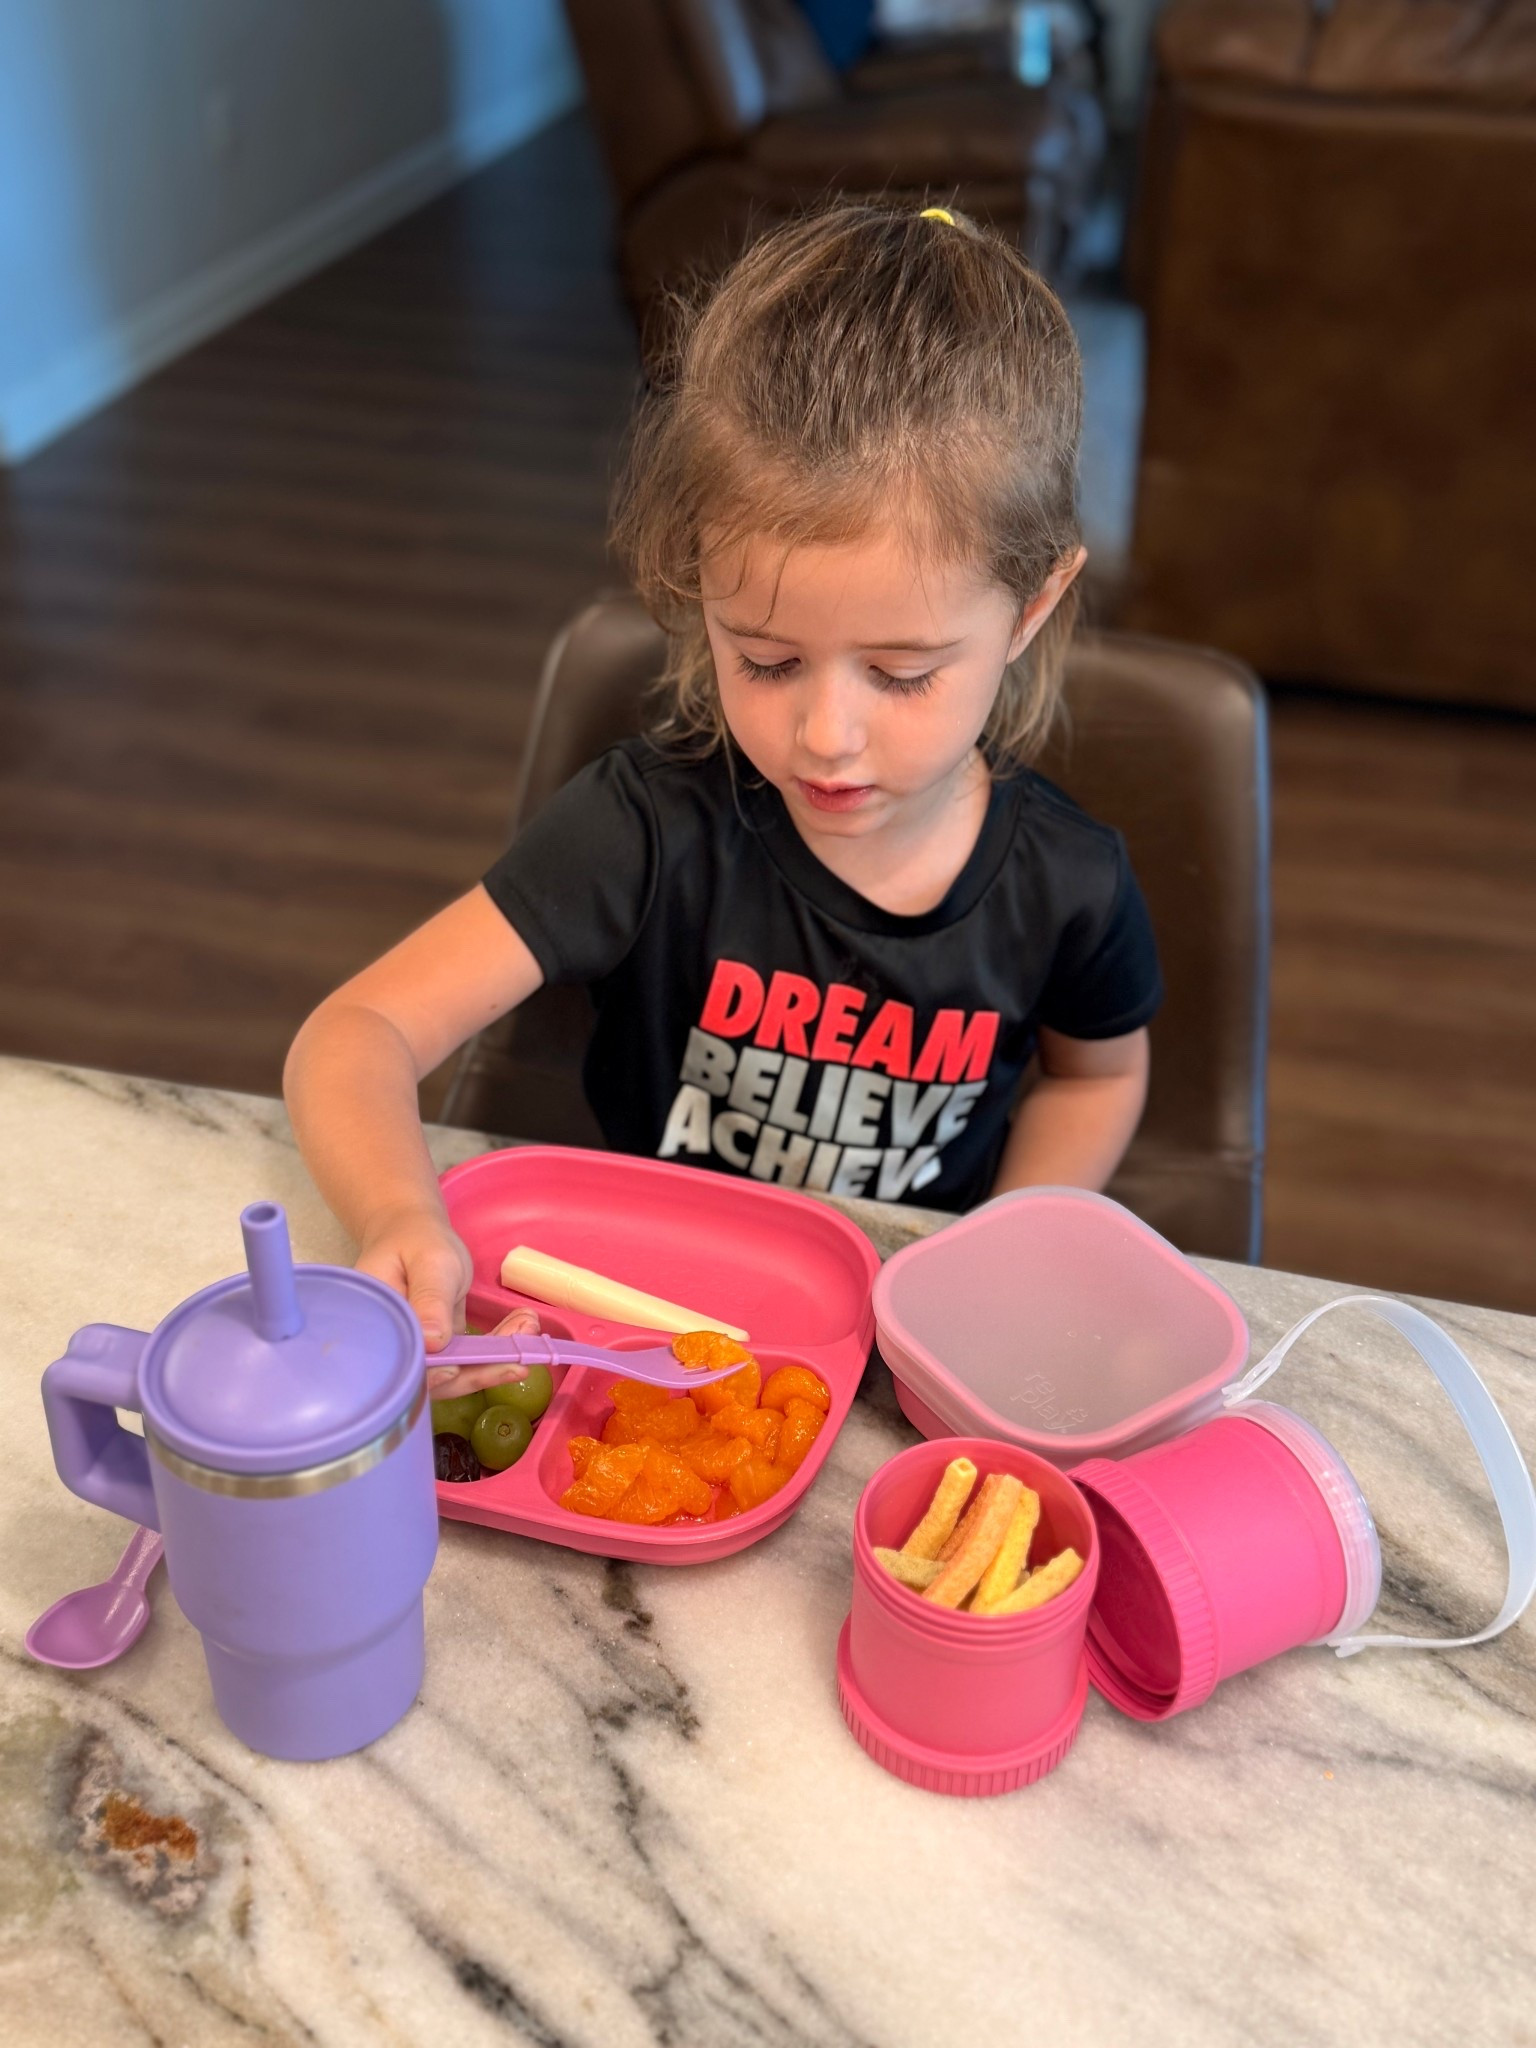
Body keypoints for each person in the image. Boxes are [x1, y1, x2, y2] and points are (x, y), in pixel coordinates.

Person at [284, 203, 1162, 1399]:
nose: (826, 735)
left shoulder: (1071, 885)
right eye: (765, 657)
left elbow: (1097, 1074)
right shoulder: (642, 829)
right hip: (635, 1329)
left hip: (890, 1348)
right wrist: (396, 1211)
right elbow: (355, 1034)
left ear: (1033, 606)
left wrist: (1000, 1248)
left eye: (902, 672)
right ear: (698, 580)